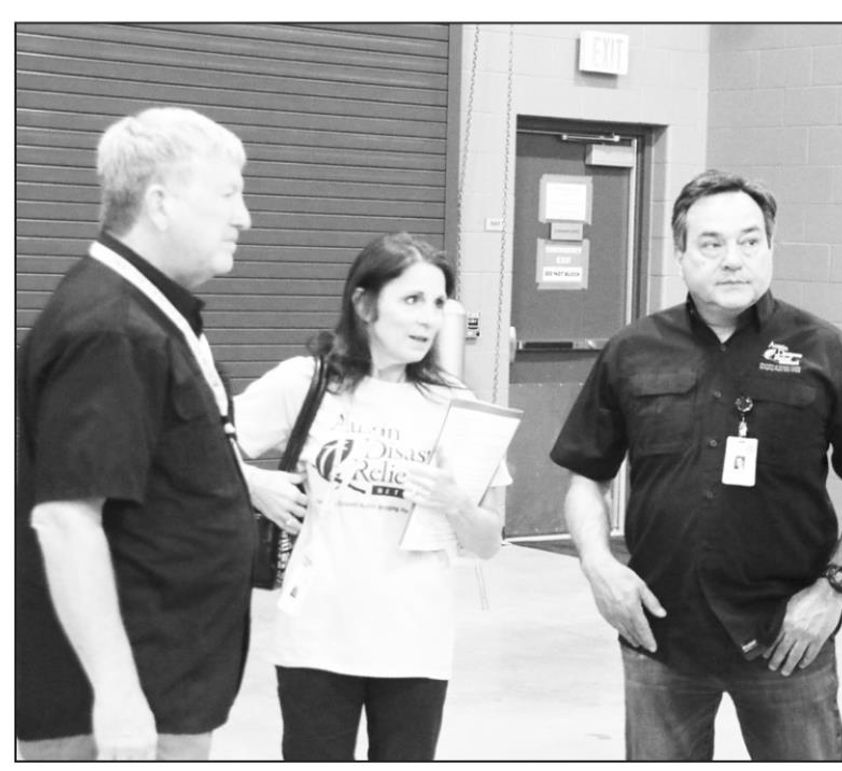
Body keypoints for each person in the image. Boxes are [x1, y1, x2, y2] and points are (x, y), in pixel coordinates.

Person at [550, 170, 842, 760]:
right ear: (682, 255)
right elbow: (588, 476)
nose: (732, 260)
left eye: (749, 241)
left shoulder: (824, 350)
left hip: (789, 639)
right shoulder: (633, 351)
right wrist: (598, 568)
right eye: (711, 244)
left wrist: (835, 589)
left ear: (770, 249)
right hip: (660, 634)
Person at [15, 107, 255, 760]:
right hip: (116, 704)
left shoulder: (142, 311)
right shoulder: (113, 328)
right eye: (229, 194)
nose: (245, 217)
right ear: (161, 202)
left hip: (165, 680)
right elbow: (67, 519)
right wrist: (117, 692)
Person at [234, 232, 509, 761]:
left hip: (414, 643)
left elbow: (489, 542)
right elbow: (199, 444)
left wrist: (456, 502)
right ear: (363, 304)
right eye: (411, 301)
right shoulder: (307, 382)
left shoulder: (453, 402)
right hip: (317, 636)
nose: (427, 318)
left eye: (436, 303)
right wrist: (255, 484)